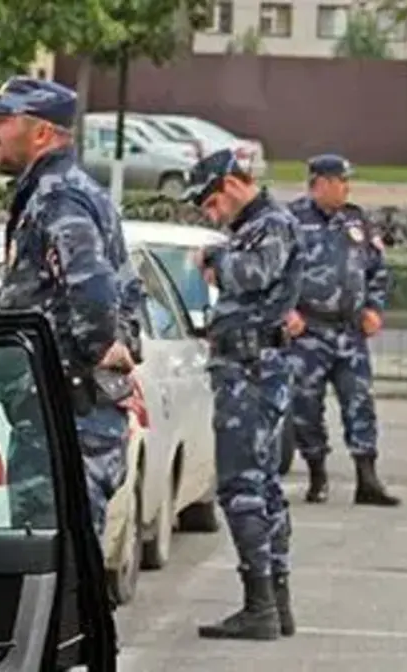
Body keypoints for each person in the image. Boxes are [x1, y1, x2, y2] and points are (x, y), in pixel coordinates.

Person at [0, 76, 145, 546]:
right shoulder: (65, 190)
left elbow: (94, 292)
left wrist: (99, 350)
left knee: (58, 566)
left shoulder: (58, 198)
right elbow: (130, 286)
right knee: (64, 566)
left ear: (42, 133)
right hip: (61, 415)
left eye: (3, 120)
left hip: (66, 419)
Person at [182, 149, 302, 641]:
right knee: (262, 485)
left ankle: (260, 607)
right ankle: (274, 602)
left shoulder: (271, 224)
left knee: (242, 487)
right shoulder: (257, 226)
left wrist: (217, 260)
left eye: (211, 203)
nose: (212, 215)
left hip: (250, 370)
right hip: (247, 365)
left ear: (231, 185)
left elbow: (255, 274)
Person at [286, 154, 401, 507]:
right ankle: (317, 472)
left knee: (360, 402)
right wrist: (285, 312)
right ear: (321, 182)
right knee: (305, 406)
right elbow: (273, 273)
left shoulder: (356, 220)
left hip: (349, 332)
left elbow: (377, 270)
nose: (346, 187)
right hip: (309, 332)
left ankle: (367, 478)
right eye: (341, 181)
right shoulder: (290, 221)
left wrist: (374, 309)